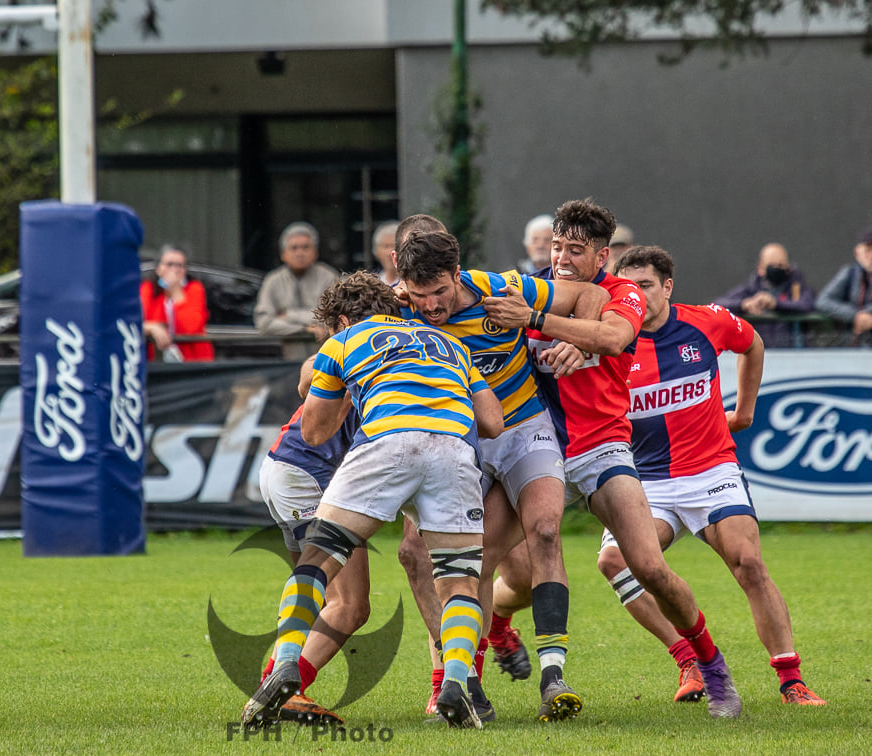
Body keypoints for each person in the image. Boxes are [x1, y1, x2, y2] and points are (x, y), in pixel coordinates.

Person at [484, 197, 744, 719]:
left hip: (602, 443)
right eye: (557, 246)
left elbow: (615, 335)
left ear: (602, 256)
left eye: (575, 251)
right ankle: (453, 679)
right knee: (489, 564)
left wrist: (553, 329)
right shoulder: (532, 287)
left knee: (646, 565)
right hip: (540, 447)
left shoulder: (621, 291)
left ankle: (711, 666)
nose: (561, 258)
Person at [241, 269, 505, 730]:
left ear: (340, 321)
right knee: (460, 580)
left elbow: (315, 431)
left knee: (318, 562)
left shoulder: (342, 342)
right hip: (455, 450)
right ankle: (456, 686)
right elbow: (493, 422)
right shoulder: (451, 344)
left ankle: (286, 663)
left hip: (386, 442)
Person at [393, 222, 608, 723]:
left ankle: (554, 678)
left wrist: (577, 343)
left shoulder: (501, 288)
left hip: (520, 427)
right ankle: (462, 679)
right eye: (418, 295)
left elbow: (589, 294)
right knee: (450, 559)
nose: (429, 306)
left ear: (457, 273)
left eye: (439, 292)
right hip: (455, 440)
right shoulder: (394, 307)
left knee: (547, 532)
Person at [598, 245, 826, 706]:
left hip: (710, 469)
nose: (635, 296)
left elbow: (753, 343)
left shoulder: (707, 321)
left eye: (645, 286)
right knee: (613, 562)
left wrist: (744, 410)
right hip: (646, 481)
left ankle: (791, 680)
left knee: (748, 561)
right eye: (627, 287)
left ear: (667, 286)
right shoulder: (609, 339)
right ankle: (689, 658)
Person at [255, 354, 365, 725]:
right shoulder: (392, 348)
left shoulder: (341, 347)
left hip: (282, 468)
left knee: (313, 593)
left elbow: (306, 381)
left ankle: (275, 686)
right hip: (309, 477)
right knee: (348, 604)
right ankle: (279, 690)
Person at [253, 221, 340, 360]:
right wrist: (304, 329)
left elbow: (334, 319)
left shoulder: (329, 277)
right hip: (286, 364)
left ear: (315, 252)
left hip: (326, 361)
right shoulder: (273, 281)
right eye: (294, 248)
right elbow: (263, 323)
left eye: (306, 247)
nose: (300, 253)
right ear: (283, 254)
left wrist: (288, 316)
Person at [714, 243, 816, 347]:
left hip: (793, 353)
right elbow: (718, 305)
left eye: (781, 265)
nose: (776, 269)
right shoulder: (751, 289)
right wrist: (743, 305)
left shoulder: (797, 286)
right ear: (760, 268)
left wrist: (775, 304)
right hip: (762, 352)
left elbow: (807, 304)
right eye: (771, 265)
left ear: (787, 267)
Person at [139, 243, 214, 362]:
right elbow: (138, 321)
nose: (174, 270)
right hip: (157, 359)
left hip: (191, 358)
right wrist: (152, 328)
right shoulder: (148, 289)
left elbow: (190, 328)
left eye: (179, 265)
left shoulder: (195, 289)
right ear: (159, 268)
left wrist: (175, 290)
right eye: (169, 264)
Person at [815, 226, 872, 346]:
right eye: (868, 250)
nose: (871, 256)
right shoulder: (850, 273)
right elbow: (823, 301)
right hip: (853, 345)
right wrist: (855, 315)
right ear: (857, 252)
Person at [371, 220, 400, 286]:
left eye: (395, 246)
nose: (390, 253)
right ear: (376, 251)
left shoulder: (414, 284)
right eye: (386, 246)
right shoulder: (372, 284)